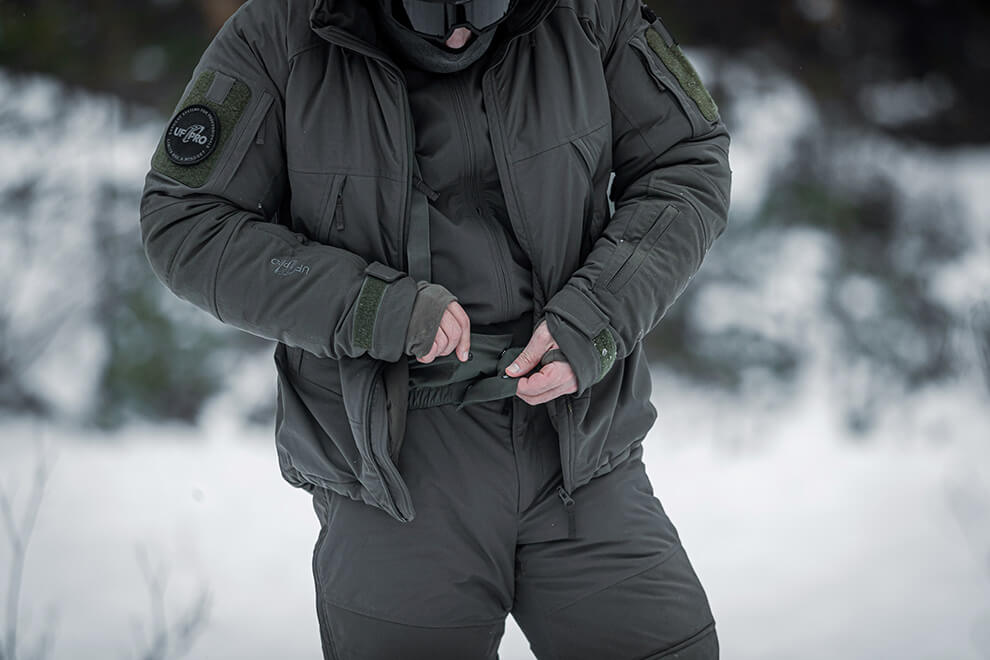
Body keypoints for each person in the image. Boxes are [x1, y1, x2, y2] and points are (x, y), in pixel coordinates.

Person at [138, 0, 731, 656]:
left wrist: (598, 315)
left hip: (584, 456)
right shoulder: (280, 33)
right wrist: (371, 307)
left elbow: (687, 160)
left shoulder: (588, 12)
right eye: (429, 11)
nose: (458, 32)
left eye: (485, 6)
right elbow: (185, 221)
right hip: (391, 479)